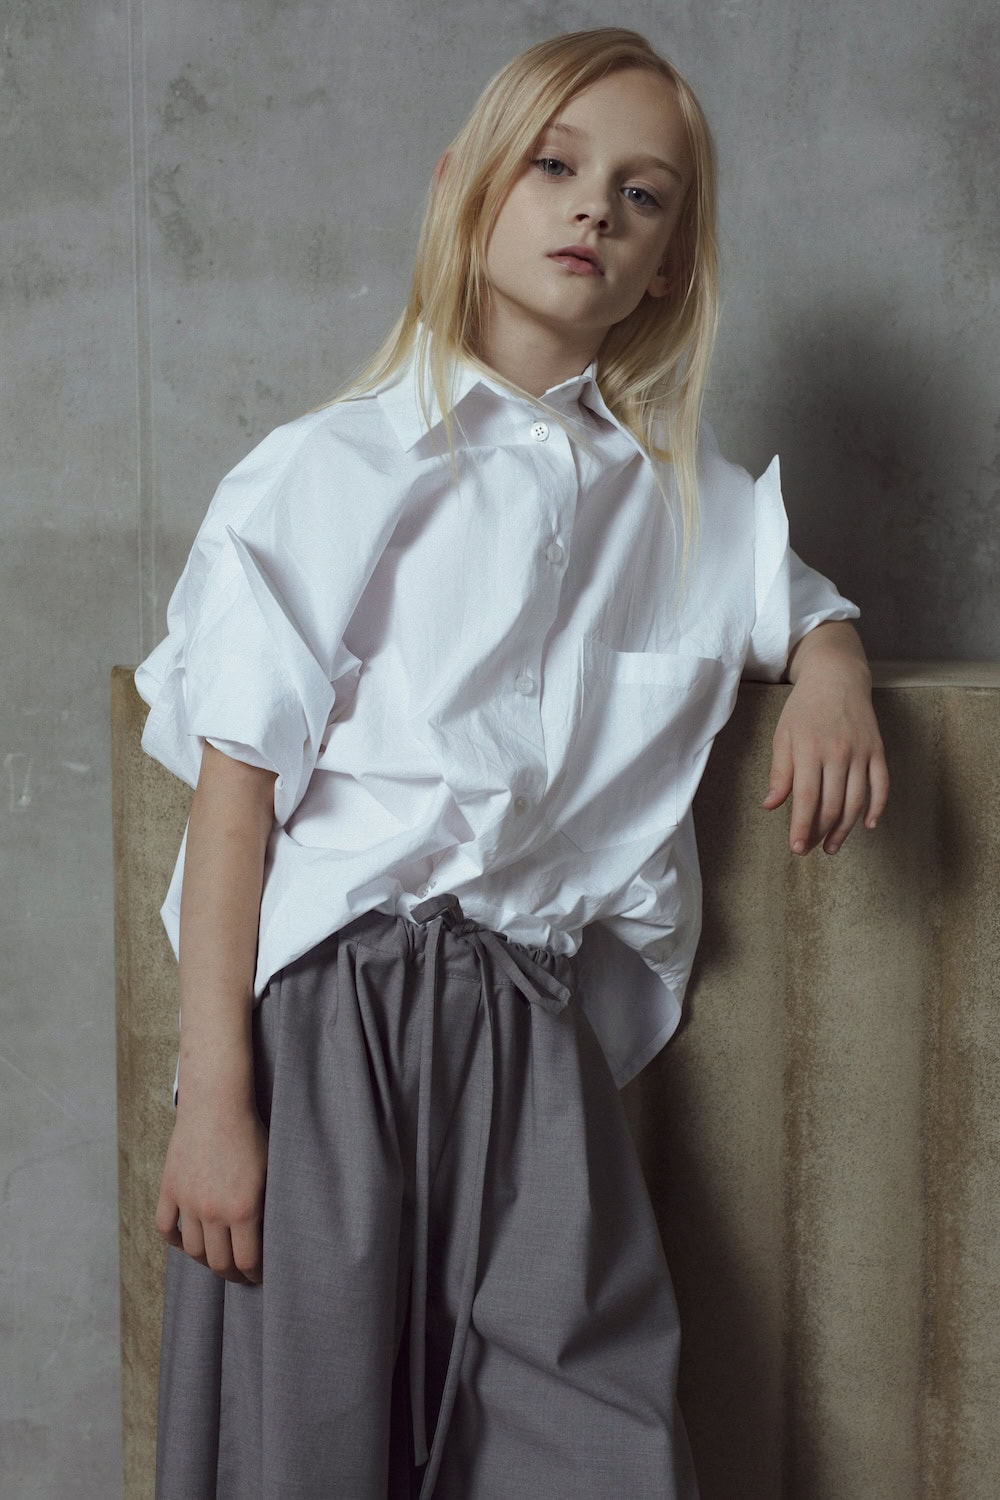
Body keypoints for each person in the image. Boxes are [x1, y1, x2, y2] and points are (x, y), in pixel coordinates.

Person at [136, 26, 889, 1500]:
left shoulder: (686, 501)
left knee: (594, 1436)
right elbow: (237, 802)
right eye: (554, 166)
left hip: (535, 1039)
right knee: (316, 1452)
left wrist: (836, 667)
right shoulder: (330, 471)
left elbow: (794, 600)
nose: (593, 208)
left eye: (643, 194)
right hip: (330, 1021)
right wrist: (214, 1103)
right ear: (469, 189)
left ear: (668, 262)